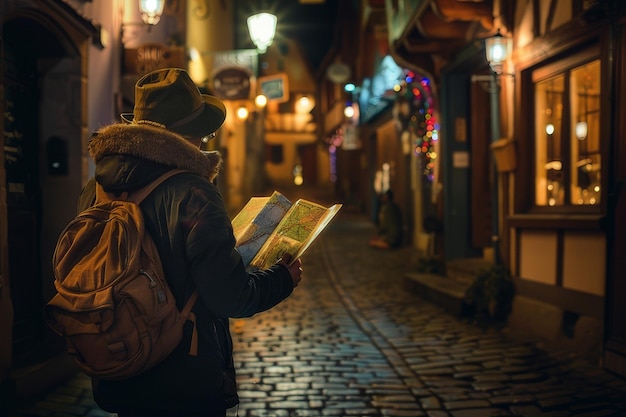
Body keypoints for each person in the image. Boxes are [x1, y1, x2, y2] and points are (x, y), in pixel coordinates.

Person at [78, 68, 302, 417]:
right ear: (187, 136)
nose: (204, 141)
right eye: (203, 132)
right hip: (184, 376)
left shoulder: (97, 188)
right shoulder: (195, 193)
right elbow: (231, 296)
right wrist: (281, 279)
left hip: (120, 358)